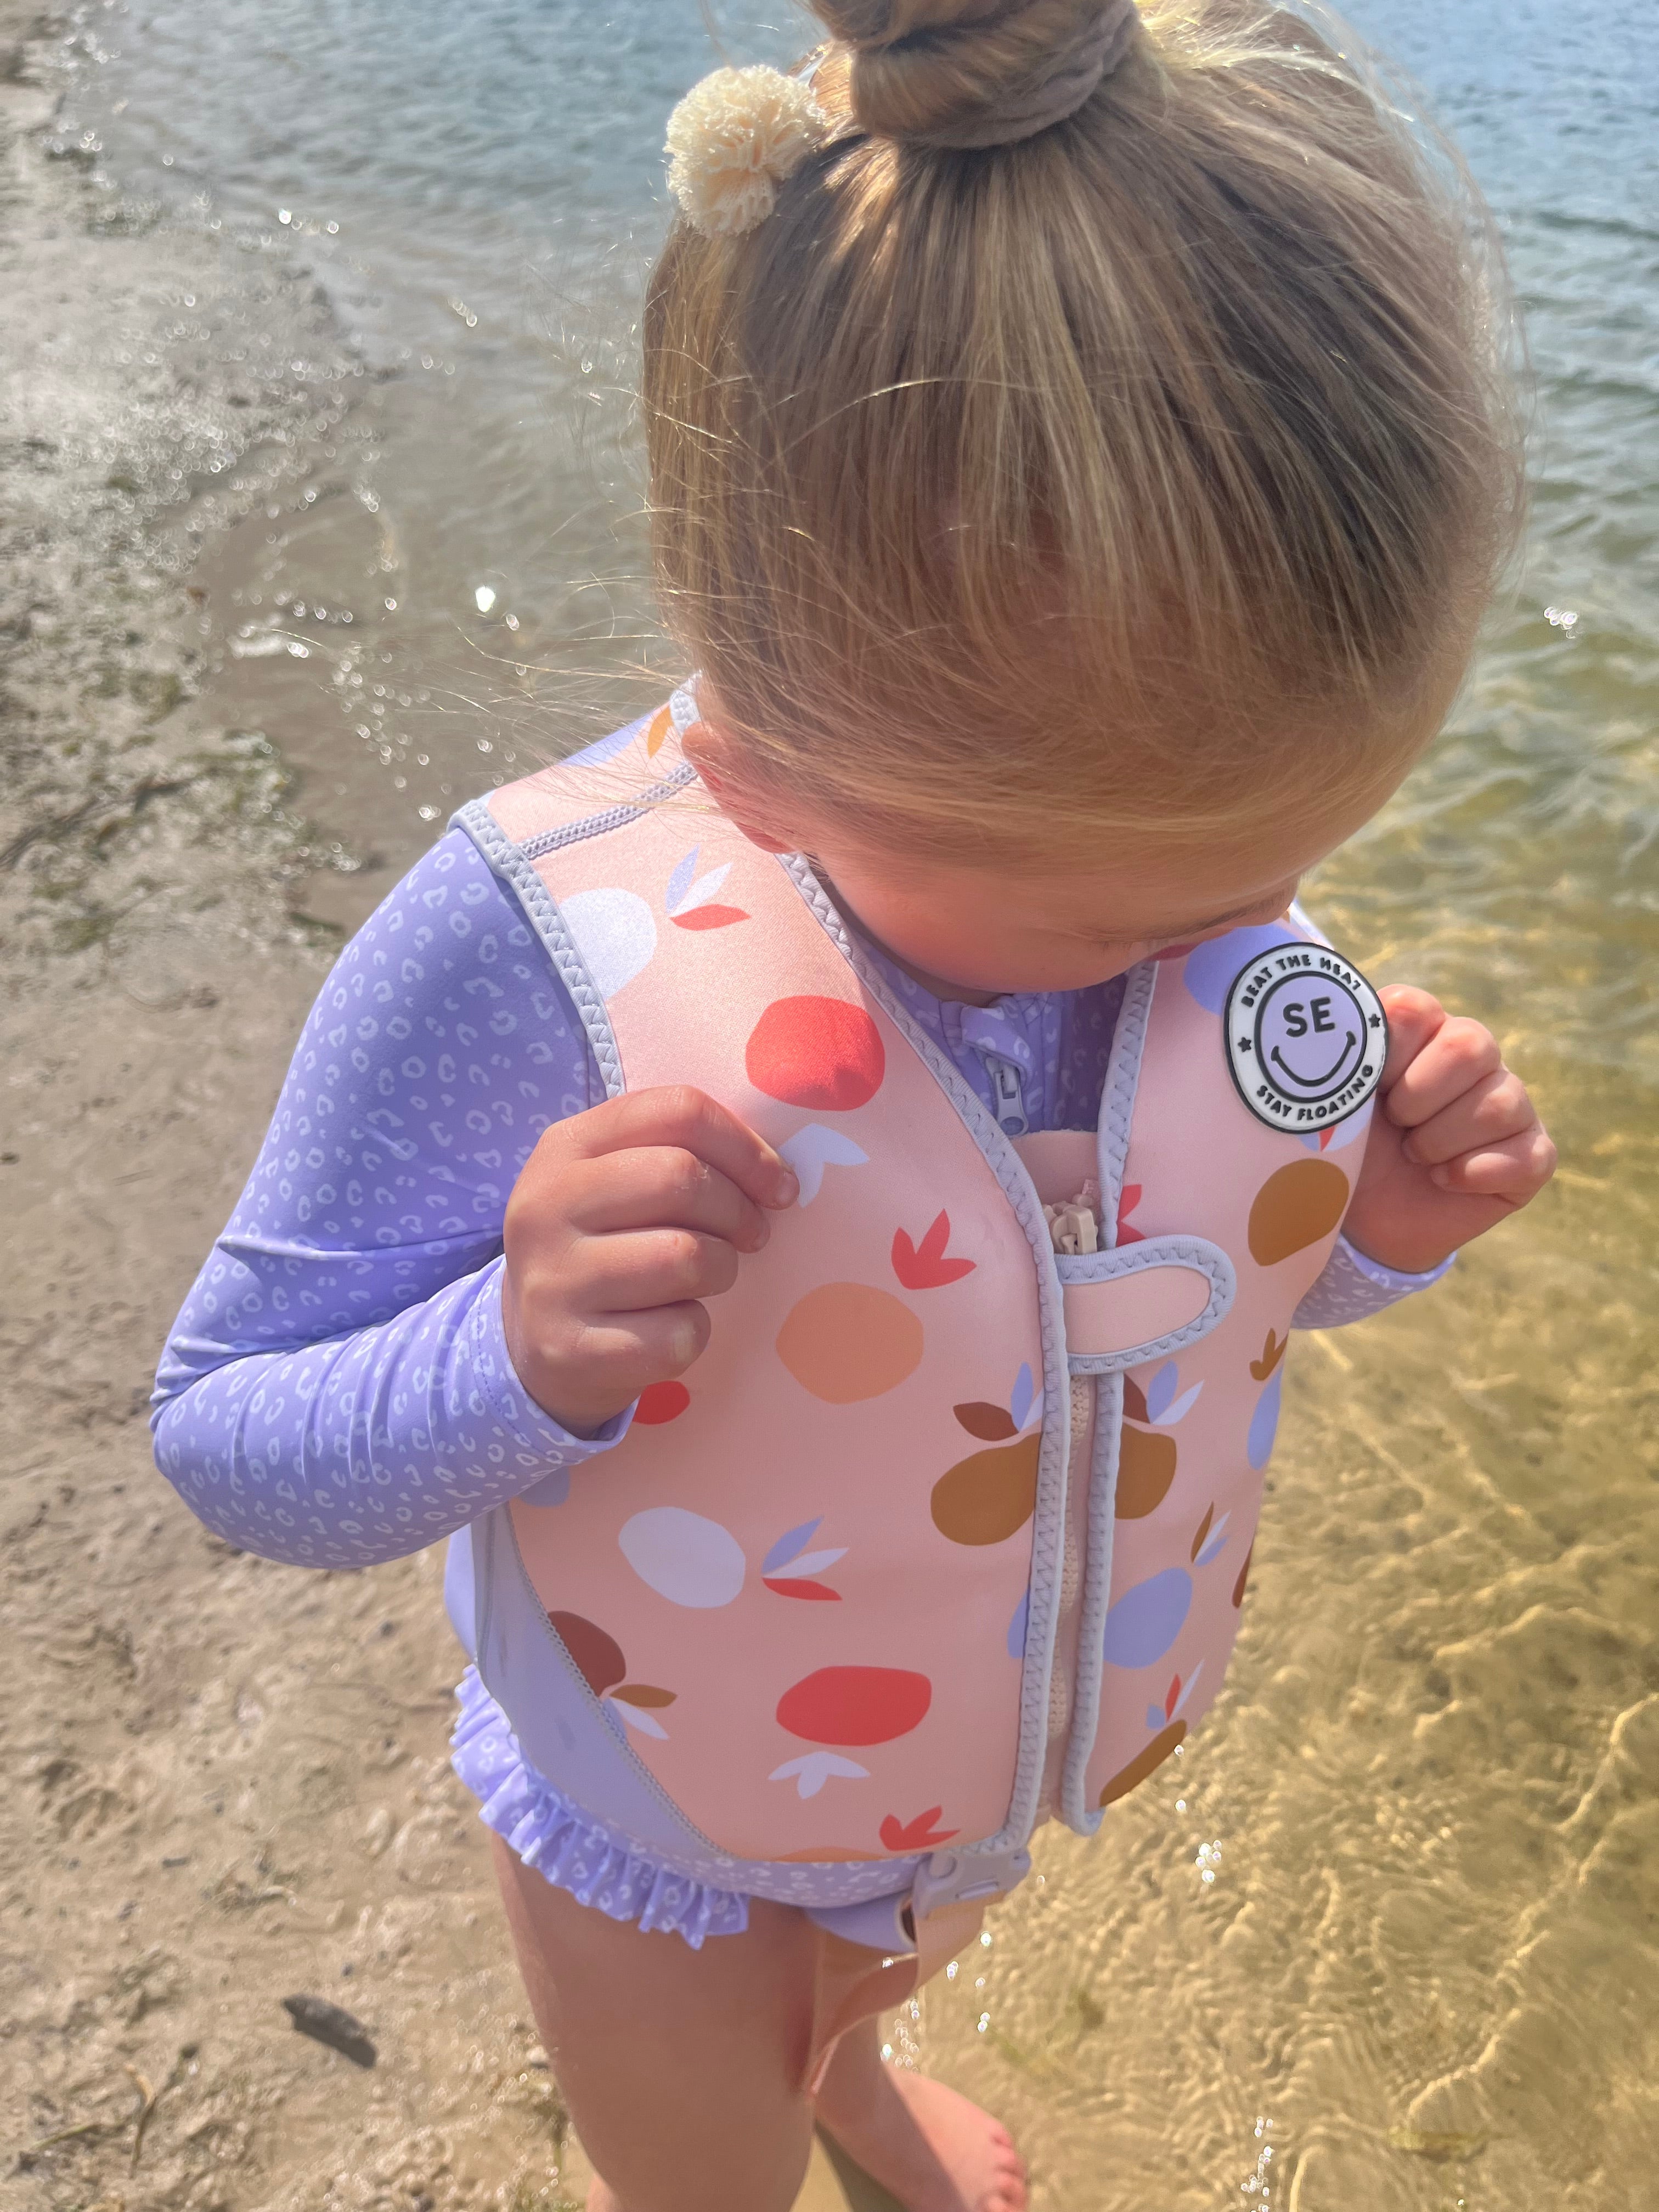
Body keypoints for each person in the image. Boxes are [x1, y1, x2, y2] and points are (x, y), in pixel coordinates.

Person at [153, 4, 1558, 2208]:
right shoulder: (535, 955)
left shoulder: (1158, 839)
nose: (1217, 945)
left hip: (937, 1771)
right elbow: (228, 1433)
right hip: (663, 1839)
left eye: (1266, 876)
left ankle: (859, 2083)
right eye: (1117, 914)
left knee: (873, 1988)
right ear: (761, 773)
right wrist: (517, 1350)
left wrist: (1366, 1224)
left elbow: (1108, 1301)